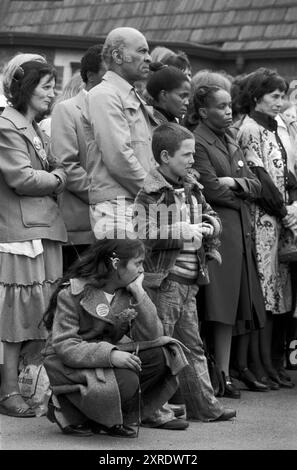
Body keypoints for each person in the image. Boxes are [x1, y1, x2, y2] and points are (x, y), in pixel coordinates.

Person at [134, 122, 236, 422]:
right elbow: (142, 232)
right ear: (165, 157)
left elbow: (211, 214)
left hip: (189, 282)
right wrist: (182, 230)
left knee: (192, 347)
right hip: (165, 283)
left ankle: (205, 406)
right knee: (160, 348)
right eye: (186, 155)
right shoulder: (149, 193)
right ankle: (154, 410)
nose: (192, 160)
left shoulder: (192, 187)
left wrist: (210, 224)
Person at [42, 238, 189, 437]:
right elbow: (65, 345)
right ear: (116, 264)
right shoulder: (72, 293)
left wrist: (139, 293)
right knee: (127, 379)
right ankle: (70, 409)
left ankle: (115, 418)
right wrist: (110, 355)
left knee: (162, 355)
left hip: (103, 361)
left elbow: (153, 336)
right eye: (137, 263)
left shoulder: (127, 291)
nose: (141, 269)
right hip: (71, 365)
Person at [185, 85, 268, 398]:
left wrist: (236, 183)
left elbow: (257, 185)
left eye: (230, 105)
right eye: (220, 106)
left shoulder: (231, 137)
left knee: (232, 307)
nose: (229, 111)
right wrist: (242, 193)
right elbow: (210, 190)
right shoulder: (197, 140)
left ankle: (224, 373)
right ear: (203, 111)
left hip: (239, 230)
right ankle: (217, 375)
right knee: (218, 306)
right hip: (219, 232)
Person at [0, 57, 67, 418]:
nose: (52, 93)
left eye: (53, 85)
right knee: (16, 315)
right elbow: (23, 179)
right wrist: (58, 179)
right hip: (19, 233)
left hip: (40, 230)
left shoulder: (33, 127)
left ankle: (30, 387)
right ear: (25, 88)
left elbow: (56, 166)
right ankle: (8, 390)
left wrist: (57, 173)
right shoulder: (7, 125)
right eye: (45, 86)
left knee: (38, 314)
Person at [237, 68, 297, 388]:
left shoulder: (275, 127)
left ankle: (269, 362)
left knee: (277, 293)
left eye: (283, 96)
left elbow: (283, 173)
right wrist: (284, 211)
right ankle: (255, 363)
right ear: (257, 96)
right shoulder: (250, 129)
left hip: (278, 218)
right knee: (262, 293)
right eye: (274, 96)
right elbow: (259, 178)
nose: (281, 102)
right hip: (262, 218)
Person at [82, 27, 157, 240]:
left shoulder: (130, 95)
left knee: (143, 272)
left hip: (137, 201)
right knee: (122, 272)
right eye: (142, 51)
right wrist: (155, 191)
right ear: (117, 56)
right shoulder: (104, 95)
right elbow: (118, 157)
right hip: (116, 205)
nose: (149, 58)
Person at [50, 45, 106, 272]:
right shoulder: (67, 110)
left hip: (114, 224)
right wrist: (105, 196)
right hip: (81, 227)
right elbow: (67, 166)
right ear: (90, 75)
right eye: (107, 72)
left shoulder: (120, 111)